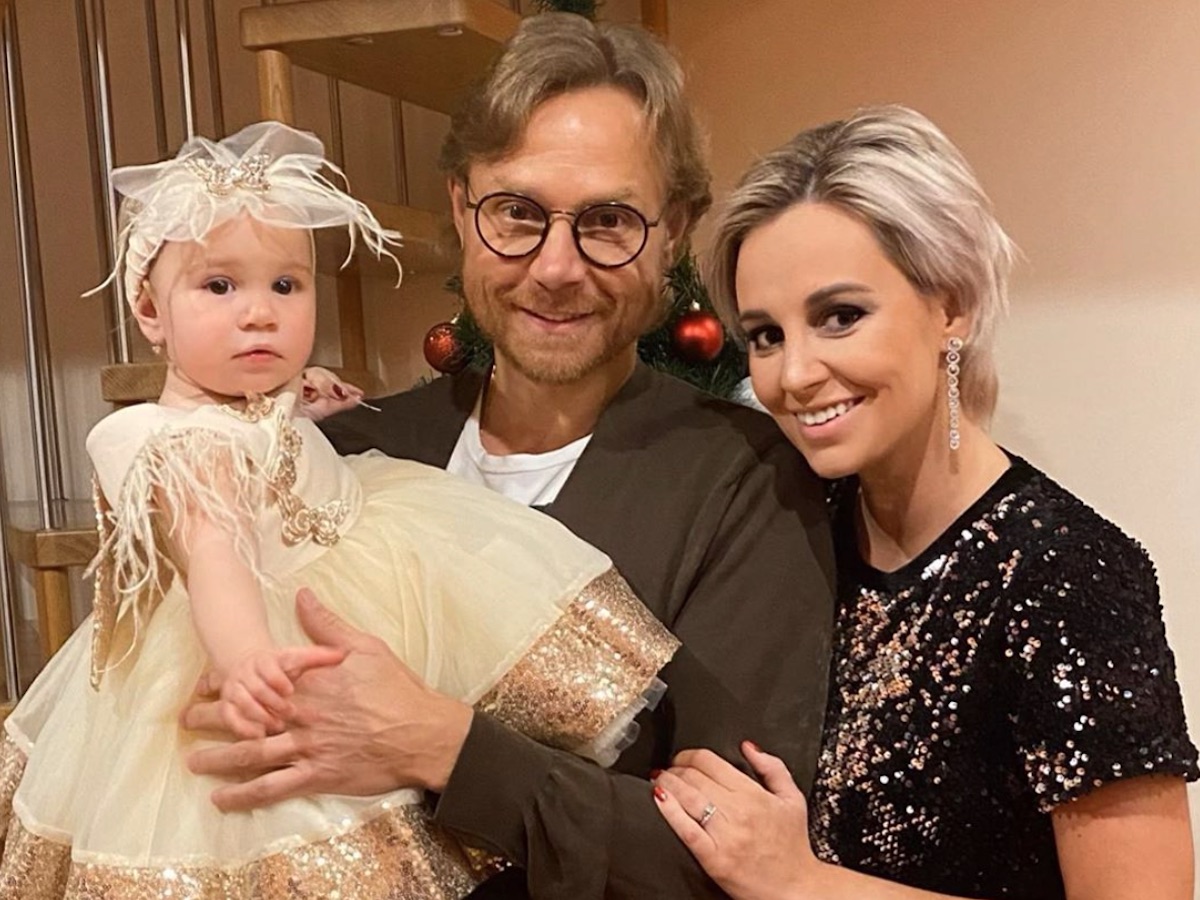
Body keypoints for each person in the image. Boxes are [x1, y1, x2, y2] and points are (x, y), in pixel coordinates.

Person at [180, 12, 836, 899]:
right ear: (462, 208)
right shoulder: (353, 450)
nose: (557, 267)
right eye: (517, 213)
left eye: (609, 220)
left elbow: (734, 856)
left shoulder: (747, 482)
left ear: (673, 231)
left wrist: (442, 747)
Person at [0, 121, 686, 897]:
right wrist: (248, 659)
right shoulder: (168, 441)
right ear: (150, 312)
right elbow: (213, 553)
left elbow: (267, 447)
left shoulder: (250, 401)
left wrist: (301, 403)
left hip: (354, 562)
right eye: (219, 287)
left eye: (286, 286)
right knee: (282, 840)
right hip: (250, 633)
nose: (259, 313)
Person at [650, 105, 1198, 899]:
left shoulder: (1067, 575)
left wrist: (802, 884)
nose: (793, 374)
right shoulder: (794, 526)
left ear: (952, 307)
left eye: (840, 317)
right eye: (766, 335)